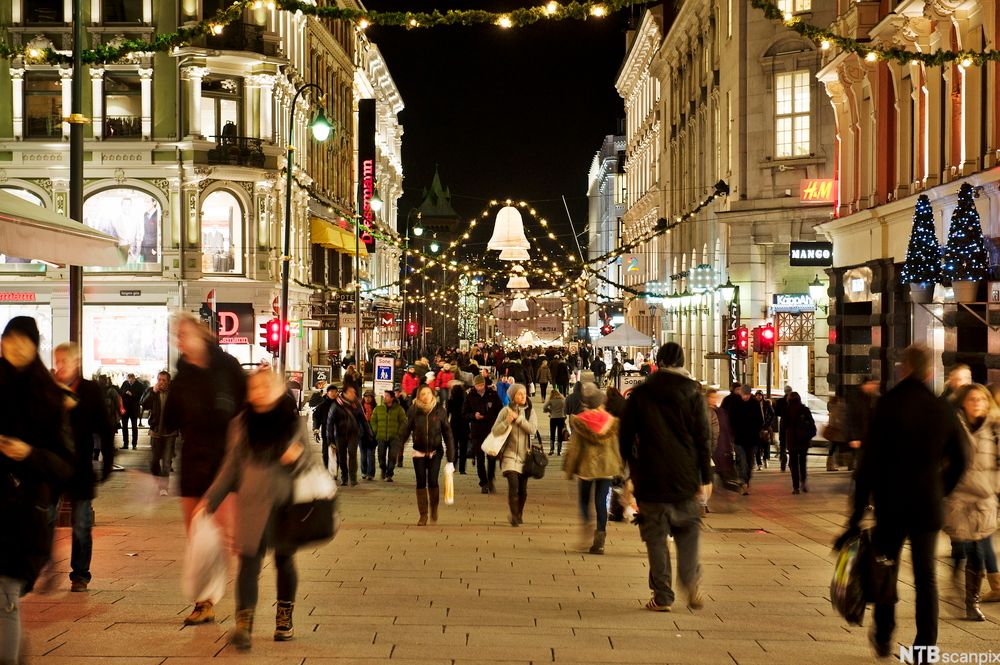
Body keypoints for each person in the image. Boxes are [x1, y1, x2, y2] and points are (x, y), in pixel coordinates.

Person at [840, 344, 966, 659]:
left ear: (904, 368)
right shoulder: (942, 409)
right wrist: (942, 488)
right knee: (926, 578)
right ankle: (926, 647)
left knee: (886, 569)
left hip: (891, 504)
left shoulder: (887, 406)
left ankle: (884, 632)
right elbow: (963, 457)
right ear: (929, 372)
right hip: (927, 505)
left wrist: (857, 513)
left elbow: (867, 464)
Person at [197, 369, 311, 651]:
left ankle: (284, 617)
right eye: (254, 387)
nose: (258, 391)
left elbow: (308, 461)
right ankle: (243, 625)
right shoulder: (241, 423)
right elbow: (231, 467)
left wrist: (295, 457)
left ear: (275, 389)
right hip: (251, 504)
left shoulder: (292, 422)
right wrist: (210, 500)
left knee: (284, 560)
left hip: (284, 503)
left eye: (264, 386)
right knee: (249, 562)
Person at [162, 311, 246, 626]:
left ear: (201, 336)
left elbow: (248, 406)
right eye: (177, 337)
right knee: (196, 535)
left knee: (225, 536)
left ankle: (220, 593)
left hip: (226, 463)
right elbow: (169, 421)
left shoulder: (228, 368)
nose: (180, 342)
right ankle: (204, 601)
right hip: (193, 461)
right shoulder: (182, 376)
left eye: (184, 335)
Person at [0, 317, 74, 662]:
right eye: (8, 339)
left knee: (5, 594)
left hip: (24, 513)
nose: (13, 347)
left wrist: (28, 454)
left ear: (34, 347)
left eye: (22, 341)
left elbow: (64, 464)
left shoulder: (48, 397)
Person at [620, 342, 711, 612]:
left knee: (656, 539)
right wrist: (705, 476)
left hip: (650, 477)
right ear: (683, 361)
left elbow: (625, 437)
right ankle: (691, 581)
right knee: (687, 532)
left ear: (658, 362)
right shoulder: (694, 394)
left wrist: (629, 472)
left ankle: (662, 596)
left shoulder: (641, 394)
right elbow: (703, 438)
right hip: (685, 476)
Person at [51, 343, 115, 593]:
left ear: (76, 362)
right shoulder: (49, 390)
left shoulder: (89, 390)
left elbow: (105, 427)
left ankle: (80, 574)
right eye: (58, 361)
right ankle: (39, 565)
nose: (60, 366)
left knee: (81, 523)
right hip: (51, 466)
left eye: (65, 361)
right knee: (44, 517)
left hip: (79, 468)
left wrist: (107, 462)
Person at [943, 384, 1000, 621]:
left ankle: (971, 602)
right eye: (972, 399)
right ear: (963, 403)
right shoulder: (953, 427)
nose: (977, 403)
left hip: (984, 500)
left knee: (977, 551)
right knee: (961, 548)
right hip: (958, 498)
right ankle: (955, 580)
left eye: (981, 399)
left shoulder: (995, 430)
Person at [563, 383, 623, 555]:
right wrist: (619, 466)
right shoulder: (612, 422)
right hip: (606, 467)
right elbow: (615, 447)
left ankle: (587, 526)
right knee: (601, 501)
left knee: (583, 501)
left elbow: (575, 449)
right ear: (602, 402)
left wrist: (569, 469)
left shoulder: (581, 421)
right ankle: (600, 537)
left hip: (586, 468)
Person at [395, 385, 455, 526]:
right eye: (423, 394)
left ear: (432, 395)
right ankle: (423, 515)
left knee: (433, 481)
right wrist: (397, 448)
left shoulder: (440, 410)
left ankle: (433, 507)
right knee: (421, 482)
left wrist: (451, 458)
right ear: (418, 396)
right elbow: (405, 430)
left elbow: (448, 434)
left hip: (435, 451)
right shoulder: (413, 410)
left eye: (428, 393)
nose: (426, 396)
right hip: (419, 452)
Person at [491, 383, 538, 526]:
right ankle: (514, 515)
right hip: (509, 455)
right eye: (519, 394)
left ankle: (519, 512)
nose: (523, 396)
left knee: (523, 490)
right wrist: (507, 421)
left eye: (524, 393)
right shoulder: (505, 411)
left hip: (525, 456)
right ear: (512, 396)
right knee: (514, 486)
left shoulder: (530, 411)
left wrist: (519, 419)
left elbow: (532, 430)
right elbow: (495, 431)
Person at [464, 375, 502, 494]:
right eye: (477, 385)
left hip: (491, 431)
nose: (479, 388)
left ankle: (490, 480)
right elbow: (464, 414)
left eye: (481, 385)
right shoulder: (470, 396)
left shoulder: (492, 394)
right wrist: (473, 416)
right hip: (477, 431)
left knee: (491, 458)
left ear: (484, 384)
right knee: (479, 458)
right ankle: (483, 482)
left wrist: (495, 422)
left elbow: (500, 411)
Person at [143, 370, 177, 496]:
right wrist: (153, 392)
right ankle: (158, 480)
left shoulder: (174, 394)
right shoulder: (152, 391)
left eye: (164, 380)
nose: (161, 382)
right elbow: (143, 404)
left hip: (170, 432)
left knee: (167, 462)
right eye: (159, 380)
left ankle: (164, 487)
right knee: (154, 461)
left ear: (168, 382)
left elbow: (180, 410)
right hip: (155, 431)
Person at [327, 384, 366, 487]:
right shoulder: (336, 405)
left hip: (353, 433)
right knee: (342, 457)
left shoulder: (356, 404)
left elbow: (362, 419)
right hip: (340, 434)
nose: (354, 394)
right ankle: (344, 477)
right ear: (344, 393)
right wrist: (330, 439)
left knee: (352, 453)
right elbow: (330, 422)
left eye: (354, 392)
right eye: (351, 392)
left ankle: (353, 477)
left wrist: (367, 433)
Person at [728, 386, 763, 494]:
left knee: (750, 462)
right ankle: (743, 481)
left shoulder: (755, 404)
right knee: (742, 461)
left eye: (747, 395)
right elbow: (731, 420)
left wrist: (755, 430)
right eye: (744, 395)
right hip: (739, 439)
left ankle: (746, 480)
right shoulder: (735, 403)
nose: (746, 397)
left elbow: (760, 421)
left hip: (752, 439)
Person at [780, 392, 816, 495]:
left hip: (792, 440)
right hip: (804, 440)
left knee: (794, 464)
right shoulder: (804, 409)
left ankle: (796, 487)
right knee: (803, 462)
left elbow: (783, 425)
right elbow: (812, 424)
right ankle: (803, 481)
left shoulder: (786, 410)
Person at [371, 389, 407, 482]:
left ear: (392, 398)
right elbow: (373, 421)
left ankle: (389, 474)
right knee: (381, 455)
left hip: (394, 437)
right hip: (381, 436)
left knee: (392, 456)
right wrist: (376, 431)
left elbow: (403, 422)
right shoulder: (378, 408)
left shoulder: (399, 409)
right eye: (384, 396)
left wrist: (399, 433)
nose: (384, 397)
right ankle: (383, 469)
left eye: (387, 396)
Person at [312, 384, 338, 471]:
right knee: (326, 452)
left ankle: (335, 470)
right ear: (327, 393)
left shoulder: (341, 405)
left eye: (335, 392)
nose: (333, 393)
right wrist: (316, 429)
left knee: (338, 452)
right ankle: (327, 469)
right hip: (326, 432)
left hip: (338, 433)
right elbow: (316, 417)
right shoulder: (322, 405)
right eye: (331, 392)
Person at [447, 383, 470, 475]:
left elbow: (447, 414)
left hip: (454, 425)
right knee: (463, 448)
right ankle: (462, 469)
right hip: (464, 425)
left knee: (454, 447)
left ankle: (453, 466)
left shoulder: (450, 401)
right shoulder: (466, 400)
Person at [119, 373, 143, 449]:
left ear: (134, 378)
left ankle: (134, 444)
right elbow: (120, 392)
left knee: (134, 427)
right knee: (124, 426)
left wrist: (132, 394)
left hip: (134, 409)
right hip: (125, 409)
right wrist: (125, 392)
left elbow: (141, 397)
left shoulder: (139, 385)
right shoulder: (125, 383)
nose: (129, 381)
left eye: (131, 380)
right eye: (128, 380)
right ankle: (125, 443)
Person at [771, 385, 792, 471]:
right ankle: (791, 463)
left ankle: (783, 463)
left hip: (783, 425)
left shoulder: (780, 401)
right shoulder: (794, 400)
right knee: (791, 445)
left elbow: (777, 413)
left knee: (783, 445)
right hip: (791, 426)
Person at [824, 395, 847, 471]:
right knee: (835, 448)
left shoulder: (831, 408)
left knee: (832, 449)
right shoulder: (837, 408)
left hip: (833, 431)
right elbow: (837, 421)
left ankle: (830, 465)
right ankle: (831, 466)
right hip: (836, 432)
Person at [753, 391, 774, 469]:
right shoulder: (753, 404)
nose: (758, 397)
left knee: (766, 444)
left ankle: (765, 458)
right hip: (756, 428)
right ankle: (759, 463)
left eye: (760, 395)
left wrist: (768, 423)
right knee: (757, 446)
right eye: (757, 395)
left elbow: (772, 414)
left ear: (762, 396)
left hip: (765, 426)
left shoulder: (766, 403)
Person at [359, 391, 378, 481]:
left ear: (373, 398)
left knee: (371, 454)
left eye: (370, 397)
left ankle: (370, 473)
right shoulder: (360, 408)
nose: (367, 398)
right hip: (361, 434)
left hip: (372, 434)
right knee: (363, 454)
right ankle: (364, 472)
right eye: (366, 396)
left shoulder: (376, 408)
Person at [543, 388, 566, 455]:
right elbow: (565, 408)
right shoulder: (563, 400)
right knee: (560, 434)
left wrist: (550, 411)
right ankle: (559, 450)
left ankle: (552, 449)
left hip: (553, 418)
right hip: (561, 418)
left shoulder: (551, 400)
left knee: (552, 433)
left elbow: (544, 407)